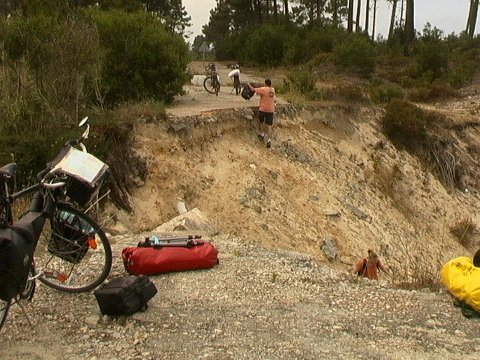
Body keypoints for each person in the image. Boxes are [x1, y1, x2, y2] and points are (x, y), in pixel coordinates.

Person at [247, 79, 276, 149]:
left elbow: (253, 89)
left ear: (265, 84)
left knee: (261, 122)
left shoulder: (263, 89)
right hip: (271, 110)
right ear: (270, 84)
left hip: (263, 109)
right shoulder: (272, 90)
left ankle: (262, 134)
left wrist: (248, 84)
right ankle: (269, 140)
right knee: (269, 125)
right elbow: (274, 99)